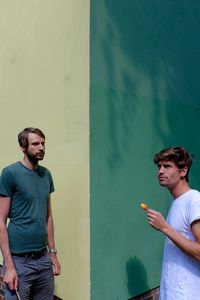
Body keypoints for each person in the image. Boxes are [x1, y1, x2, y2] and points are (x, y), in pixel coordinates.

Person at [0, 127, 61, 300]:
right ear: (23, 147)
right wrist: (9, 267)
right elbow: (0, 221)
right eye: (35, 144)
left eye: (43, 143)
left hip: (43, 258)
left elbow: (48, 217)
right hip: (19, 261)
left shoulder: (46, 175)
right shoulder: (10, 173)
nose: (41, 147)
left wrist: (53, 254)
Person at [147, 146, 200, 300]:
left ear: (183, 171)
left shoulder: (194, 200)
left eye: (167, 166)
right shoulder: (177, 202)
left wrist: (164, 227)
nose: (160, 171)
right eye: (159, 166)